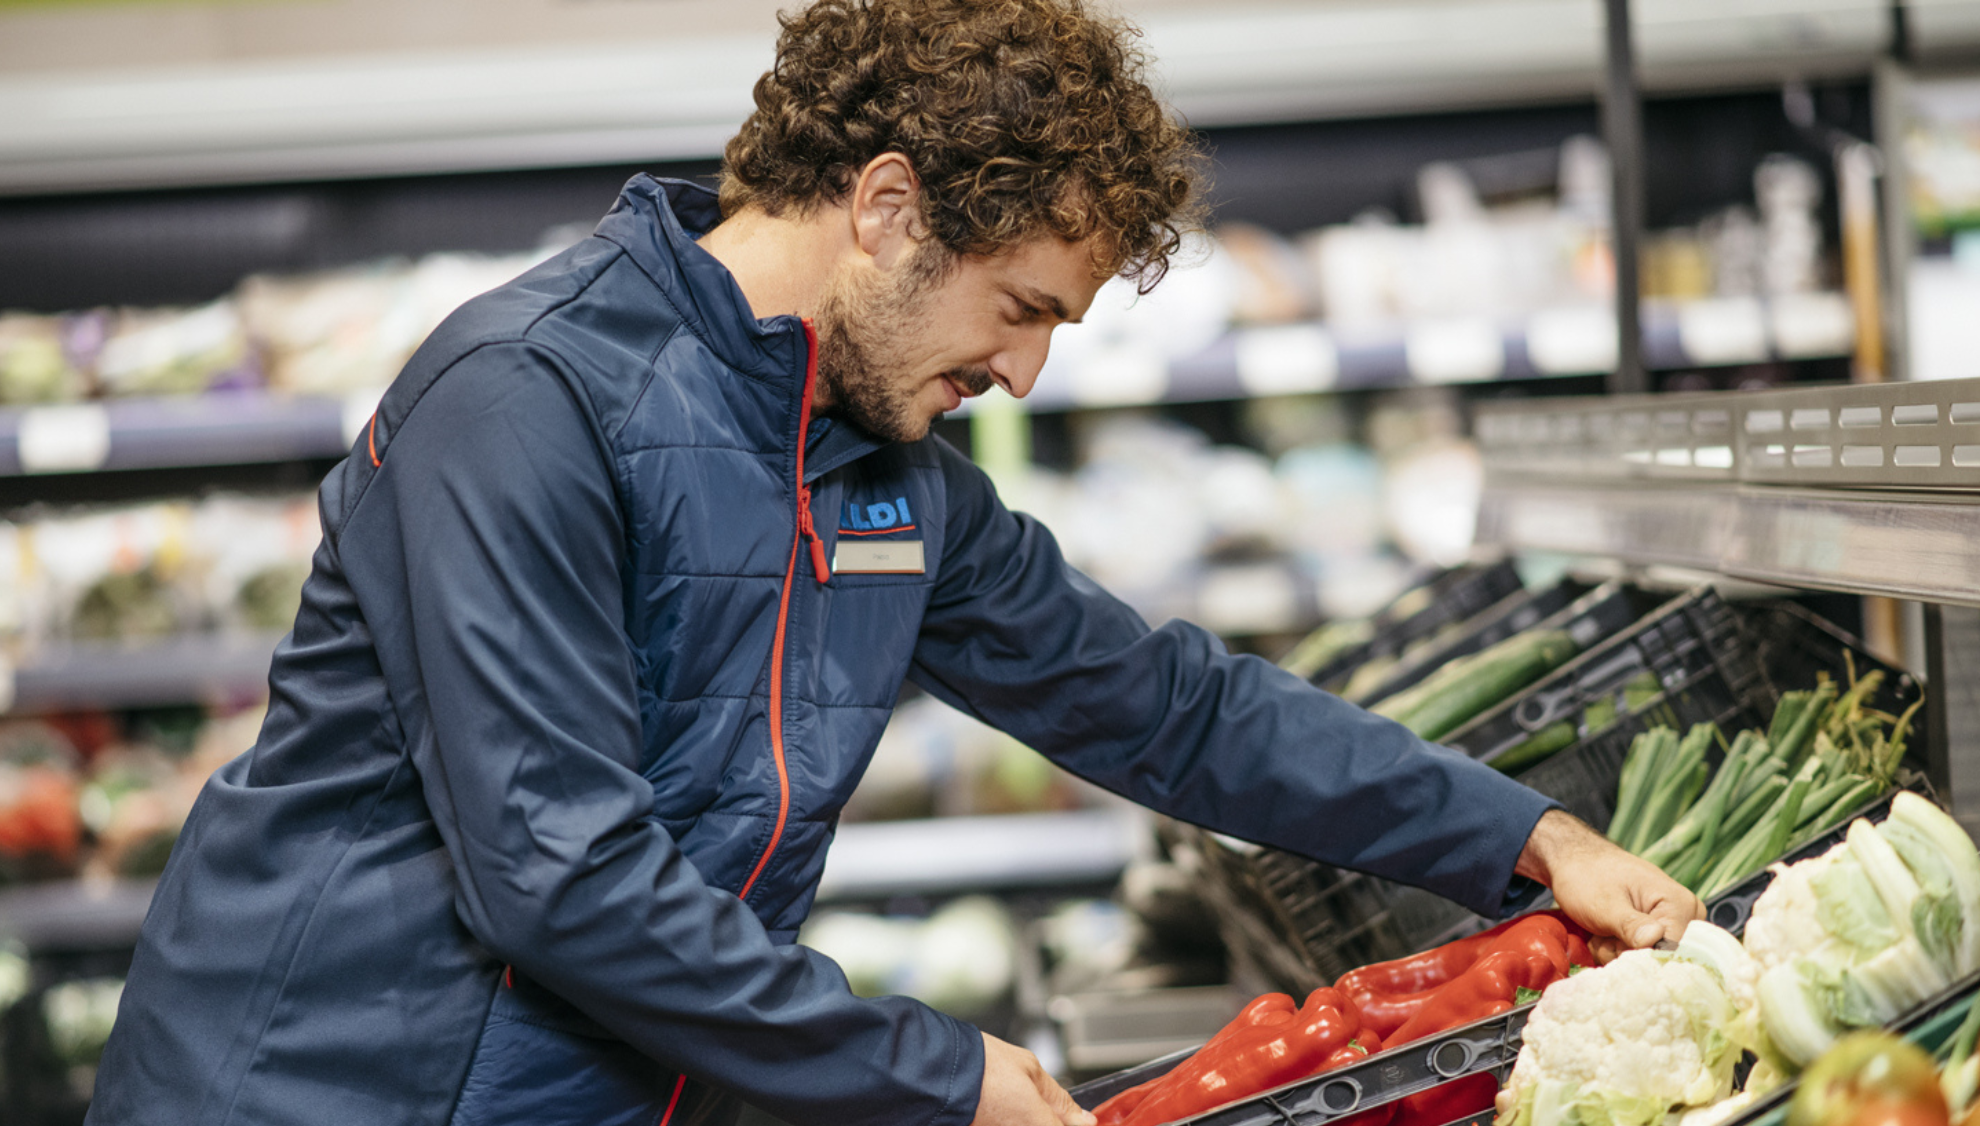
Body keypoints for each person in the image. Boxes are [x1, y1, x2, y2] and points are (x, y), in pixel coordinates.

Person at [87, 2, 1702, 1124]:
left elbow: (1168, 706)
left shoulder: (887, 478)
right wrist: (926, 1074)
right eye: (1022, 310)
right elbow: (558, 867)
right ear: (884, 208)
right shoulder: (527, 399)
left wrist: (1528, 833)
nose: (1025, 375)